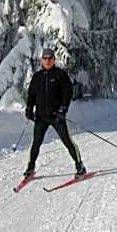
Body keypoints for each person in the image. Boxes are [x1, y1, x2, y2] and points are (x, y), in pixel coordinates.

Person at [23, 47, 86, 179]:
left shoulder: (60, 74)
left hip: (56, 116)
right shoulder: (37, 77)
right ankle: (31, 167)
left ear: (54, 59)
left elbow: (67, 93)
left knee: (67, 141)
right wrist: (29, 109)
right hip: (41, 117)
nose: (47, 61)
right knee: (36, 143)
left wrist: (63, 109)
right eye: (45, 58)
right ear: (41, 60)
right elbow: (31, 95)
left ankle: (80, 166)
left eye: (50, 58)